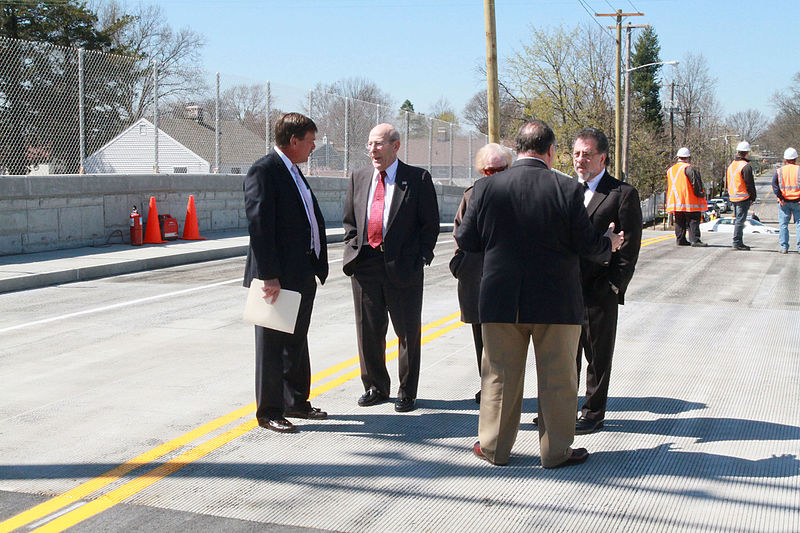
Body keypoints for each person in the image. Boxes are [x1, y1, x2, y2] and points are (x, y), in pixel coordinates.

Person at [455, 120, 624, 467]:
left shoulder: (486, 188)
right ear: (551, 152)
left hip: (501, 301)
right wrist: (610, 243)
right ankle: (555, 451)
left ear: (517, 149)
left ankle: (494, 448)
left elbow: (466, 240)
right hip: (556, 303)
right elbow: (587, 245)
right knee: (558, 380)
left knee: (499, 377)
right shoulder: (566, 189)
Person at [342, 123, 439, 413]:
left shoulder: (417, 179)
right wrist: (352, 249)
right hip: (366, 265)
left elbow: (429, 224)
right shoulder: (359, 177)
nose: (373, 150)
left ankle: (406, 391)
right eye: (370, 144)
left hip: (403, 267)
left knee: (407, 333)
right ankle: (374, 386)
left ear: (396, 146)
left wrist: (421, 257)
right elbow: (349, 220)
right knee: (368, 330)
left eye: (379, 144)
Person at [243, 112, 329, 434]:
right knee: (271, 346)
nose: (313, 147)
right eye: (310, 141)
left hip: (300, 272)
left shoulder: (293, 171)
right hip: (276, 277)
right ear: (293, 141)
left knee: (295, 341)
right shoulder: (265, 171)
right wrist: (268, 274)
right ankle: (269, 411)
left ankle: (296, 401)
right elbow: (259, 225)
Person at [570, 128, 642, 435]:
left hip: (599, 290)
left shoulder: (621, 194)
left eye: (586, 154)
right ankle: (561, 410)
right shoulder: (566, 190)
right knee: (564, 356)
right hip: (565, 289)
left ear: (603, 157)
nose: (580, 160)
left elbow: (629, 247)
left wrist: (615, 284)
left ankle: (593, 412)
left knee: (597, 356)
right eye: (576, 153)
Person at [449, 143, 513, 404]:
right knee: (481, 337)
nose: (494, 175)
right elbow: (459, 231)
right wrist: (459, 264)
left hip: (509, 280)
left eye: (500, 169)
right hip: (476, 279)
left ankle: (506, 387)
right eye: (488, 170)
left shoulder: (516, 193)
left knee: (507, 338)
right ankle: (487, 384)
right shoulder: (471, 195)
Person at [666, 147, 708, 247]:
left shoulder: (671, 170)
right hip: (689, 200)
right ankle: (695, 240)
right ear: (688, 157)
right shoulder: (689, 168)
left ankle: (680, 239)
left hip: (676, 201)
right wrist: (701, 194)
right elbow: (695, 184)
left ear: (678, 157)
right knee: (693, 220)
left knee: (679, 221)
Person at [726, 141, 757, 251]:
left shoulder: (731, 165)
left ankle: (737, 241)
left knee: (737, 220)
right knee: (740, 220)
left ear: (738, 152)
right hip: (742, 197)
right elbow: (749, 183)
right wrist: (753, 197)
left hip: (733, 197)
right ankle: (737, 242)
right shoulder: (745, 166)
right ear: (747, 153)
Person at [771, 147, 800, 254]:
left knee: (783, 225)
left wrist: (781, 197)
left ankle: (784, 247)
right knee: (799, 224)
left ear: (785, 159)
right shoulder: (799, 170)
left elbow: (774, 185)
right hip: (797, 201)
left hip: (784, 202)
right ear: (795, 159)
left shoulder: (779, 171)